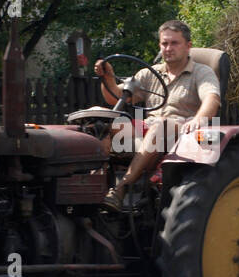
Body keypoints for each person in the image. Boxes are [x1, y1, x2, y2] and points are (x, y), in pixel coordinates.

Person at [93, 20, 221, 210]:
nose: (168, 48)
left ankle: (121, 189)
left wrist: (198, 119)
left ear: (188, 46)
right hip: (149, 130)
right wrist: (107, 78)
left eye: (174, 43)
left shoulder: (202, 72)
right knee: (99, 116)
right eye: (164, 44)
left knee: (161, 125)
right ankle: (92, 185)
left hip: (182, 133)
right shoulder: (149, 74)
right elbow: (115, 98)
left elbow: (212, 99)